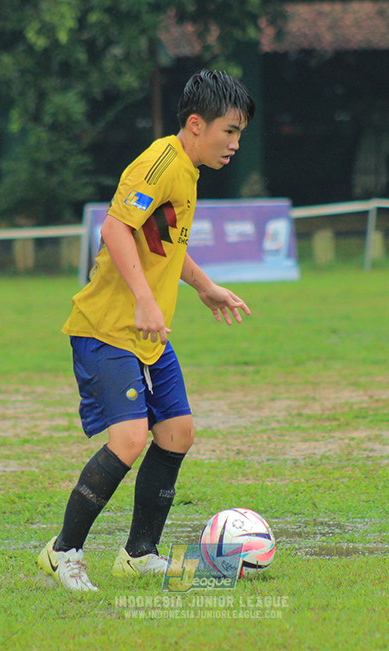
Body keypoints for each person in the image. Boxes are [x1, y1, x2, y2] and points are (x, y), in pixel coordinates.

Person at [37, 69, 254, 592]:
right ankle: (62, 551)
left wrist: (204, 287)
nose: (235, 143)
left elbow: (163, 246)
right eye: (229, 131)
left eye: (240, 133)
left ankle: (139, 553)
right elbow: (114, 228)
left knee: (177, 433)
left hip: (148, 333)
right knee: (131, 438)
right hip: (108, 327)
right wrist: (141, 298)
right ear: (197, 125)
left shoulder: (189, 170)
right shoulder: (160, 163)